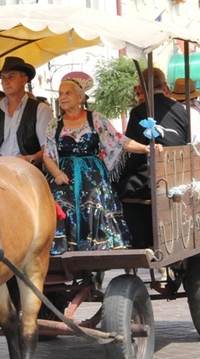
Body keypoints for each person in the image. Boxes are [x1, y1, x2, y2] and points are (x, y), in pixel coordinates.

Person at [43, 78, 163, 254]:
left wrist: (145, 148)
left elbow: (120, 141)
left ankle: (94, 248)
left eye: (68, 93)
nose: (63, 97)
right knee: (57, 202)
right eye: (60, 94)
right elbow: (48, 155)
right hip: (64, 174)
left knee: (94, 199)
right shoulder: (54, 124)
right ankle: (61, 248)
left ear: (80, 97)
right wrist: (57, 174)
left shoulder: (96, 119)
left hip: (91, 173)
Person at [115, 67, 189, 249]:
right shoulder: (180, 109)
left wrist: (121, 174)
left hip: (153, 173)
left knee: (122, 188)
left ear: (140, 89)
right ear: (164, 86)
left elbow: (133, 150)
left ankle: (140, 239)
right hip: (180, 170)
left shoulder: (139, 111)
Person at [0, 56, 54, 168]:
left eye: (11, 77)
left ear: (24, 79)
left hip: (29, 171)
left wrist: (30, 159)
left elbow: (48, 149)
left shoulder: (41, 109)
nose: (6, 82)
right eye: (3, 78)